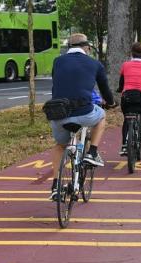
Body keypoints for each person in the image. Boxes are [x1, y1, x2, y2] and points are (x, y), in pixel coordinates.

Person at [49, 33, 116, 199]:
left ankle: (56, 186)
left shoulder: (57, 61)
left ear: (69, 47)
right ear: (86, 47)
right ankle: (92, 152)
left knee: (60, 146)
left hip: (58, 113)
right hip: (83, 113)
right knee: (101, 116)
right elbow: (105, 90)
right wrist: (111, 102)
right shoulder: (95, 64)